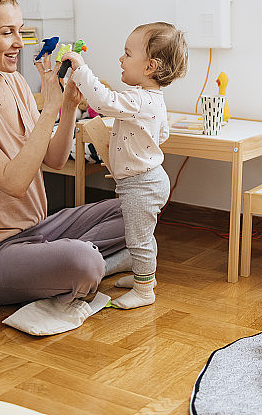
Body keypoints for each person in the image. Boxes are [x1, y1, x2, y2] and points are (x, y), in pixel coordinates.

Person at [0, 0, 130, 306]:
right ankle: (89, 265)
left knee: (135, 208)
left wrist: (67, 106)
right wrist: (49, 106)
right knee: (85, 262)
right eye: (7, 32)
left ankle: (64, 266)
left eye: (20, 31)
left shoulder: (14, 81)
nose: (18, 43)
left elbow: (53, 158)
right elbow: (14, 182)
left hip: (38, 229)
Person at [63, 22, 188, 309]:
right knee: (140, 234)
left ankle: (145, 290)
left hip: (142, 184)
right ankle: (143, 275)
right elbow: (163, 133)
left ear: (149, 67)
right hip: (148, 180)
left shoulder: (138, 98)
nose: (121, 59)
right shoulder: (154, 100)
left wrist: (81, 69)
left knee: (139, 237)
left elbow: (105, 102)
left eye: (127, 54)